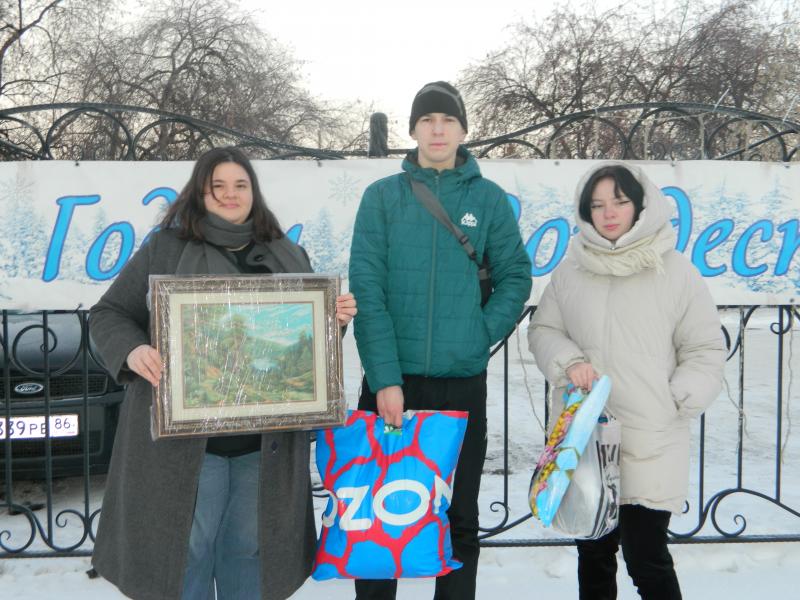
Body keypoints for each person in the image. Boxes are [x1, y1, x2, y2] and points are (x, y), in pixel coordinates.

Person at [89, 146, 356, 600]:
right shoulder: (166, 250)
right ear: (200, 193)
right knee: (186, 551)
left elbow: (305, 345)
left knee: (250, 551)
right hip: (186, 447)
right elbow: (108, 314)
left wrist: (333, 324)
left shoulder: (289, 254)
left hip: (264, 448)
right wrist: (132, 350)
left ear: (254, 191)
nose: (230, 195)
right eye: (218, 187)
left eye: (240, 185)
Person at [348, 81, 532, 600]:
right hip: (392, 385)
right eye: (427, 120)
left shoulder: (488, 199)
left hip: (460, 384)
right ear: (412, 131)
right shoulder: (382, 197)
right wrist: (385, 380)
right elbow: (369, 288)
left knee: (457, 520)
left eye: (447, 120)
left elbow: (516, 275)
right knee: (380, 517)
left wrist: (479, 335)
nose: (436, 129)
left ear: (463, 130)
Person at [528, 161, 726, 600]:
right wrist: (569, 360)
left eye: (619, 200)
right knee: (594, 558)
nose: (609, 212)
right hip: (587, 438)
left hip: (651, 437)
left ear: (640, 205)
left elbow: (705, 349)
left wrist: (678, 397)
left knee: (646, 558)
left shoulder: (675, 272)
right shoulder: (570, 271)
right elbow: (543, 331)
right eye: (597, 204)